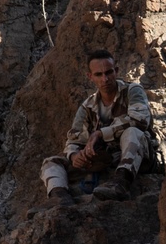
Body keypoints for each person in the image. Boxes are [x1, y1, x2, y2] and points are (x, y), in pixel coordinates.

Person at [39, 49, 154, 206]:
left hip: (136, 154)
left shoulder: (132, 91)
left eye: (109, 73)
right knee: (51, 162)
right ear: (90, 76)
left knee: (132, 131)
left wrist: (100, 133)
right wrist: (74, 155)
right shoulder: (88, 106)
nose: (105, 79)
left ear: (116, 71)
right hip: (103, 159)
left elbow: (140, 120)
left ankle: (121, 183)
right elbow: (74, 139)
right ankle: (59, 196)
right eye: (98, 75)